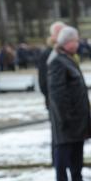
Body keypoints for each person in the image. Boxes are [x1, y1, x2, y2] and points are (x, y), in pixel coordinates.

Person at [48, 26, 91, 181]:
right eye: (75, 40)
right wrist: (65, 117)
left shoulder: (68, 58)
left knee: (77, 150)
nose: (78, 43)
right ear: (67, 42)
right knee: (63, 152)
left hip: (77, 117)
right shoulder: (57, 61)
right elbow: (57, 94)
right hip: (66, 118)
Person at [38, 21, 66, 166]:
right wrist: (53, 100)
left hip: (65, 103)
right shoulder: (47, 54)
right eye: (59, 32)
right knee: (58, 138)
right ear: (53, 35)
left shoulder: (64, 52)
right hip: (54, 102)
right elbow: (43, 82)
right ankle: (58, 165)